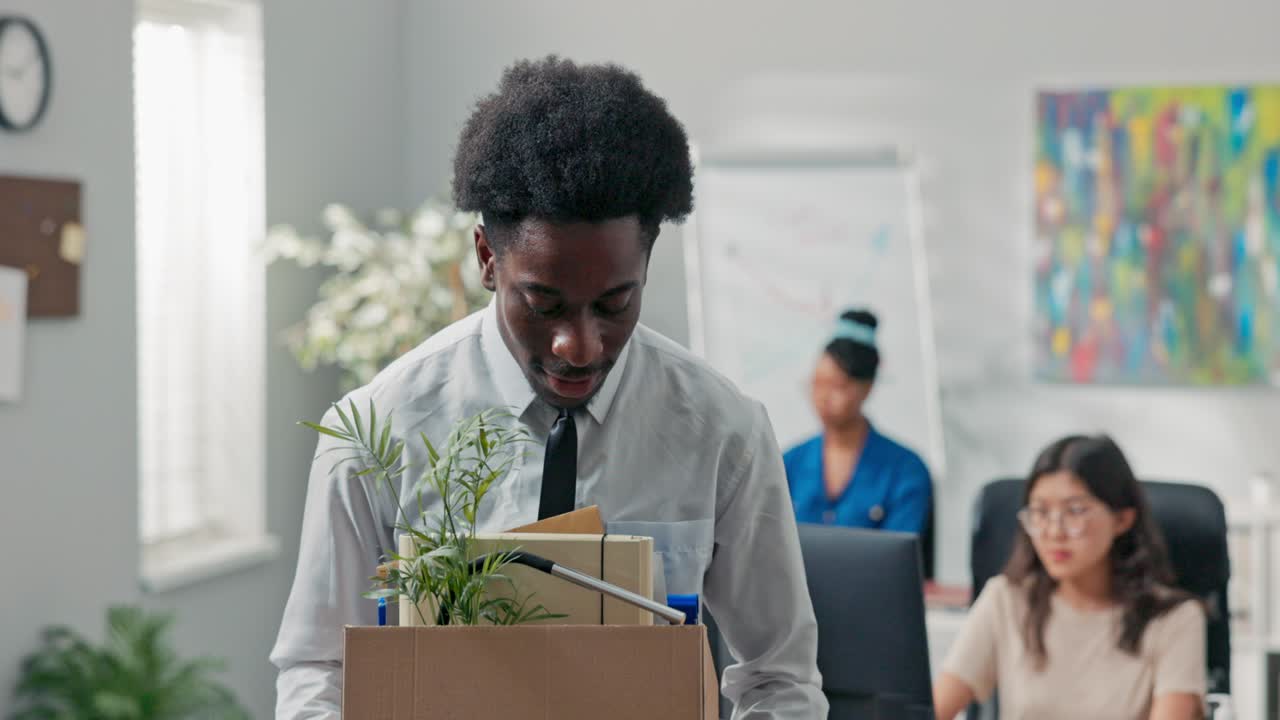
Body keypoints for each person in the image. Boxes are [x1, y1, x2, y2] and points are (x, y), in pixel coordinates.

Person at [270, 56, 826, 719]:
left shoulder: (722, 431)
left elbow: (779, 679)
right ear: (485, 257)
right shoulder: (376, 430)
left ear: (646, 265)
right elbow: (320, 670)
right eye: (544, 304)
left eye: (615, 305)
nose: (579, 346)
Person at [933, 435, 1206, 720]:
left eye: (1074, 511)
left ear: (1122, 519)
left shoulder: (1175, 619)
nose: (1054, 532)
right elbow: (933, 710)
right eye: (1040, 512)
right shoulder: (1005, 599)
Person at [783, 309, 932, 532]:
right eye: (817, 383)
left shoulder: (905, 470)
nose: (823, 397)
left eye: (837, 386)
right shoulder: (789, 464)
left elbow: (899, 560)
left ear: (867, 387)